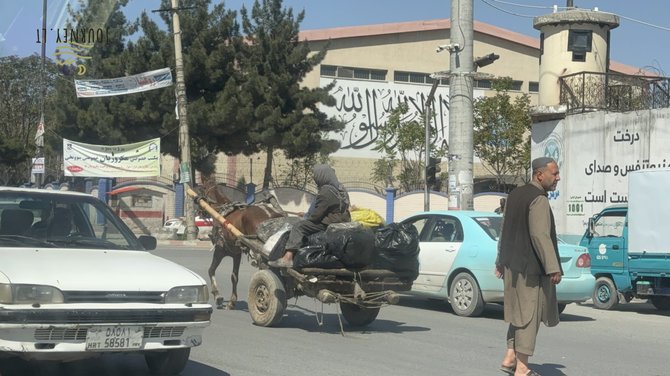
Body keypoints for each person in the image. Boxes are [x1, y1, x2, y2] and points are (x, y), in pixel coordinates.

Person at [494, 157, 563, 376]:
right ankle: (522, 369)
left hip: (512, 267)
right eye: (554, 173)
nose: (557, 178)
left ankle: (510, 357)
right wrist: (553, 267)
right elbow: (540, 236)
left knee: (518, 313)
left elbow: (504, 230)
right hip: (529, 269)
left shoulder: (514, 195)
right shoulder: (538, 199)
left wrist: (499, 261)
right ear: (539, 174)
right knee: (529, 316)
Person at [268, 164, 351, 268]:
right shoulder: (340, 188)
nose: (315, 178)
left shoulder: (326, 191)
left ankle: (287, 258)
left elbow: (317, 216)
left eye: (316, 175)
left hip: (330, 224)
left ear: (322, 176)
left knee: (299, 226)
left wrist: (306, 218)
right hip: (343, 222)